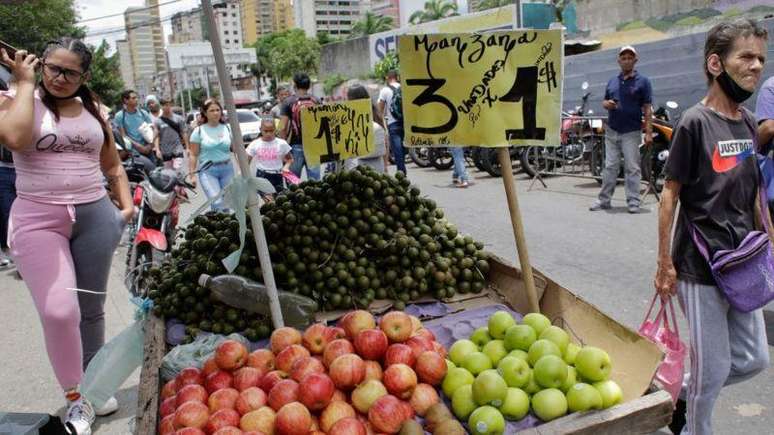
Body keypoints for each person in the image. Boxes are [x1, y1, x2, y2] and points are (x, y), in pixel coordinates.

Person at [0, 38, 134, 433]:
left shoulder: (93, 109)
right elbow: (15, 139)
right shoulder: (14, 98)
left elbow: (111, 163)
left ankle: (93, 387)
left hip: (95, 216)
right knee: (61, 312)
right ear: (40, 66)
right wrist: (24, 83)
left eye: (69, 72)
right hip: (38, 218)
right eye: (52, 68)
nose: (59, 77)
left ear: (84, 76)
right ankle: (75, 398)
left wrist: (122, 209)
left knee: (91, 309)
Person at [654, 19, 769, 435]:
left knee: (754, 358)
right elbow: (670, 196)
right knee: (715, 365)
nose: (756, 66)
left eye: (760, 58)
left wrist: (769, 240)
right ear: (716, 63)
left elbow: (754, 193)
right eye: (746, 56)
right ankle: (695, 430)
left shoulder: (749, 123)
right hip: (699, 268)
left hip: (743, 262)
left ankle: (677, 390)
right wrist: (664, 263)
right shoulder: (694, 122)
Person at [590, 45, 653, 213]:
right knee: (610, 166)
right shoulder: (612, 81)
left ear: (635, 60)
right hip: (612, 130)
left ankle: (633, 201)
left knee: (632, 167)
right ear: (619, 61)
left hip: (631, 132)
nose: (626, 60)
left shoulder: (643, 82)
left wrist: (648, 132)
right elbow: (604, 101)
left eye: (629, 57)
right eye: (623, 58)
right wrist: (607, 104)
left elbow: (647, 108)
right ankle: (604, 200)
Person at [189, 98, 234, 211]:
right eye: (212, 110)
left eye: (218, 110)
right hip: (208, 171)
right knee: (217, 202)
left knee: (227, 203)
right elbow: (193, 154)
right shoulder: (198, 131)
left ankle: (224, 228)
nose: (215, 113)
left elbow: (237, 150)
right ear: (205, 113)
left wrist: (243, 169)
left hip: (227, 170)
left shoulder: (227, 128)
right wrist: (192, 175)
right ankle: (220, 226)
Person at [279, 73, 320, 180]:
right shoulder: (316, 101)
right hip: (314, 146)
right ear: (309, 86)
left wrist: (284, 149)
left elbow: (282, 127)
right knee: (315, 183)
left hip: (295, 146)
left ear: (295, 86)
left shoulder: (288, 102)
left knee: (293, 181)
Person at [346, 84, 387, 173]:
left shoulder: (348, 117)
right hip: (376, 167)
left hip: (357, 168)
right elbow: (385, 142)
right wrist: (385, 165)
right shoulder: (374, 113)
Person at [246, 118, 292, 193]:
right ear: (260, 129)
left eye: (271, 131)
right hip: (262, 175)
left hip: (277, 175)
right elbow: (246, 161)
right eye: (266, 131)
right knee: (268, 200)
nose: (269, 134)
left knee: (278, 199)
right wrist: (242, 173)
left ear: (275, 129)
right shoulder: (255, 144)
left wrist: (286, 167)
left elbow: (290, 159)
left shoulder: (281, 143)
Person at [115, 89, 157, 163]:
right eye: (133, 98)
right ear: (126, 100)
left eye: (137, 97)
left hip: (149, 150)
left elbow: (154, 130)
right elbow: (123, 136)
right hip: (134, 153)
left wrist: (150, 145)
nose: (136, 100)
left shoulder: (144, 113)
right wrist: (140, 147)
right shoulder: (120, 116)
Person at [378, 70, 407, 175]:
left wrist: (381, 125)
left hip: (392, 123)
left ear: (387, 78)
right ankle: (402, 169)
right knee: (404, 148)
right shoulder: (403, 88)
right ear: (397, 77)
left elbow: (379, 109)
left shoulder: (385, 90)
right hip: (405, 122)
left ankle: (401, 172)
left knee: (397, 149)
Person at [0, 77, 15, 268]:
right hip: (2, 170)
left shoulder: (16, 106)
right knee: (6, 213)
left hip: (19, 168)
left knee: (13, 214)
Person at [153, 98, 188, 171]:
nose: (166, 107)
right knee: (169, 174)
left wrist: (187, 147)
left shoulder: (179, 119)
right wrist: (157, 149)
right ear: (160, 106)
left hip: (177, 149)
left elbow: (184, 133)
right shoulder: (158, 121)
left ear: (171, 105)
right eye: (164, 105)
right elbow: (157, 136)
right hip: (165, 151)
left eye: (168, 105)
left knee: (178, 171)